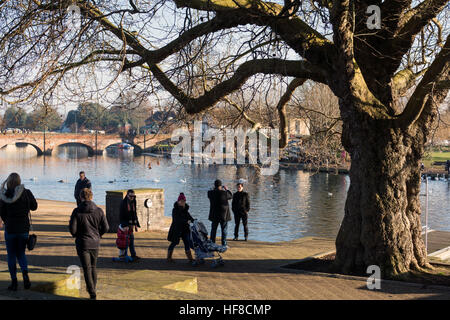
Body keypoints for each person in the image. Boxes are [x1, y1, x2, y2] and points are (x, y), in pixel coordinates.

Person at [69, 188, 109, 300]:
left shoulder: (77, 211)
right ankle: (93, 288)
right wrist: (98, 235)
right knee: (93, 266)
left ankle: (92, 292)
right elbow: (106, 227)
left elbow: (72, 230)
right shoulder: (99, 211)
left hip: (82, 243)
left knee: (87, 268)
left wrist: (77, 235)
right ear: (91, 197)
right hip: (95, 242)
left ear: (81, 197)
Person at [0, 173, 38, 291]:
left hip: (10, 228)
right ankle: (25, 275)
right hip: (23, 229)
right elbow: (34, 206)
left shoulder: (5, 195)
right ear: (19, 181)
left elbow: (2, 212)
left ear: (9, 182)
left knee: (11, 255)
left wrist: (7, 221)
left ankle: (14, 282)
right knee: (21, 253)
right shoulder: (26, 192)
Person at [167, 193, 194, 263]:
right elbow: (177, 220)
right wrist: (186, 221)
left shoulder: (186, 209)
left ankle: (190, 259)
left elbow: (189, 217)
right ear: (178, 201)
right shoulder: (175, 210)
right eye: (181, 201)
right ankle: (169, 258)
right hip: (177, 229)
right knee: (174, 243)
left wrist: (194, 220)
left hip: (185, 229)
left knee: (187, 243)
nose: (182, 203)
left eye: (184, 201)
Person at [207, 179, 232, 247]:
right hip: (223, 215)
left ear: (214, 186)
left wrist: (213, 188)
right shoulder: (224, 193)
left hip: (214, 215)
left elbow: (209, 192)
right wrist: (226, 189)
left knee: (213, 229)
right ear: (221, 186)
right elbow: (230, 196)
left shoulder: (211, 193)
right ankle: (224, 244)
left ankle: (212, 242)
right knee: (224, 230)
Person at [119, 189, 140, 260]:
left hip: (131, 224)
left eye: (133, 196)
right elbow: (121, 215)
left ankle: (133, 255)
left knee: (131, 239)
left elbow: (134, 213)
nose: (132, 198)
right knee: (125, 240)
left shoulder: (134, 201)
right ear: (127, 195)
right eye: (131, 196)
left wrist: (136, 224)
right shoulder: (123, 203)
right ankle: (124, 255)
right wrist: (125, 225)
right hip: (125, 224)